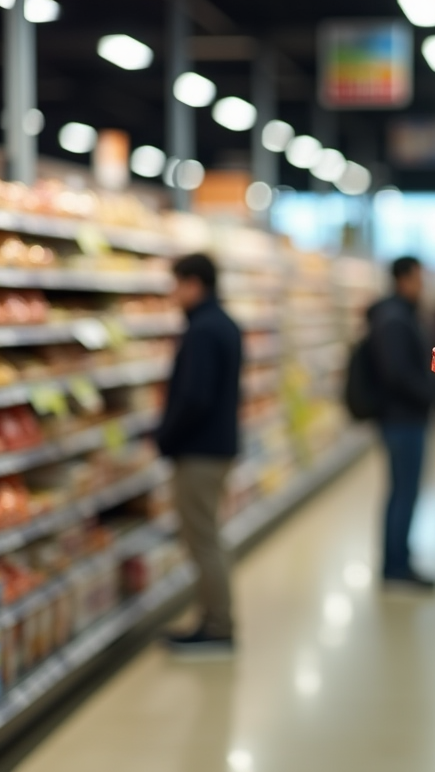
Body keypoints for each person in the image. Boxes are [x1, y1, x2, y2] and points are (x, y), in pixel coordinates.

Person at [156, 253, 243, 655]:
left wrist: (166, 437)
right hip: (217, 446)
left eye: (176, 284)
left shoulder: (203, 330)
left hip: (200, 451)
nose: (173, 293)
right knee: (208, 535)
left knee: (203, 539)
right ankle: (211, 619)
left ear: (194, 284)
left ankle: (218, 626)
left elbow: (195, 397)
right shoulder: (223, 323)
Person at [368, 256, 435, 590]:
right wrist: (429, 392)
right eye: (418, 278)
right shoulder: (394, 318)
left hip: (402, 417)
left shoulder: (397, 314)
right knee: (404, 492)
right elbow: (396, 373)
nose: (423, 285)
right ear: (403, 279)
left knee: (402, 490)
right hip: (402, 419)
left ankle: (398, 559)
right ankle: (396, 567)